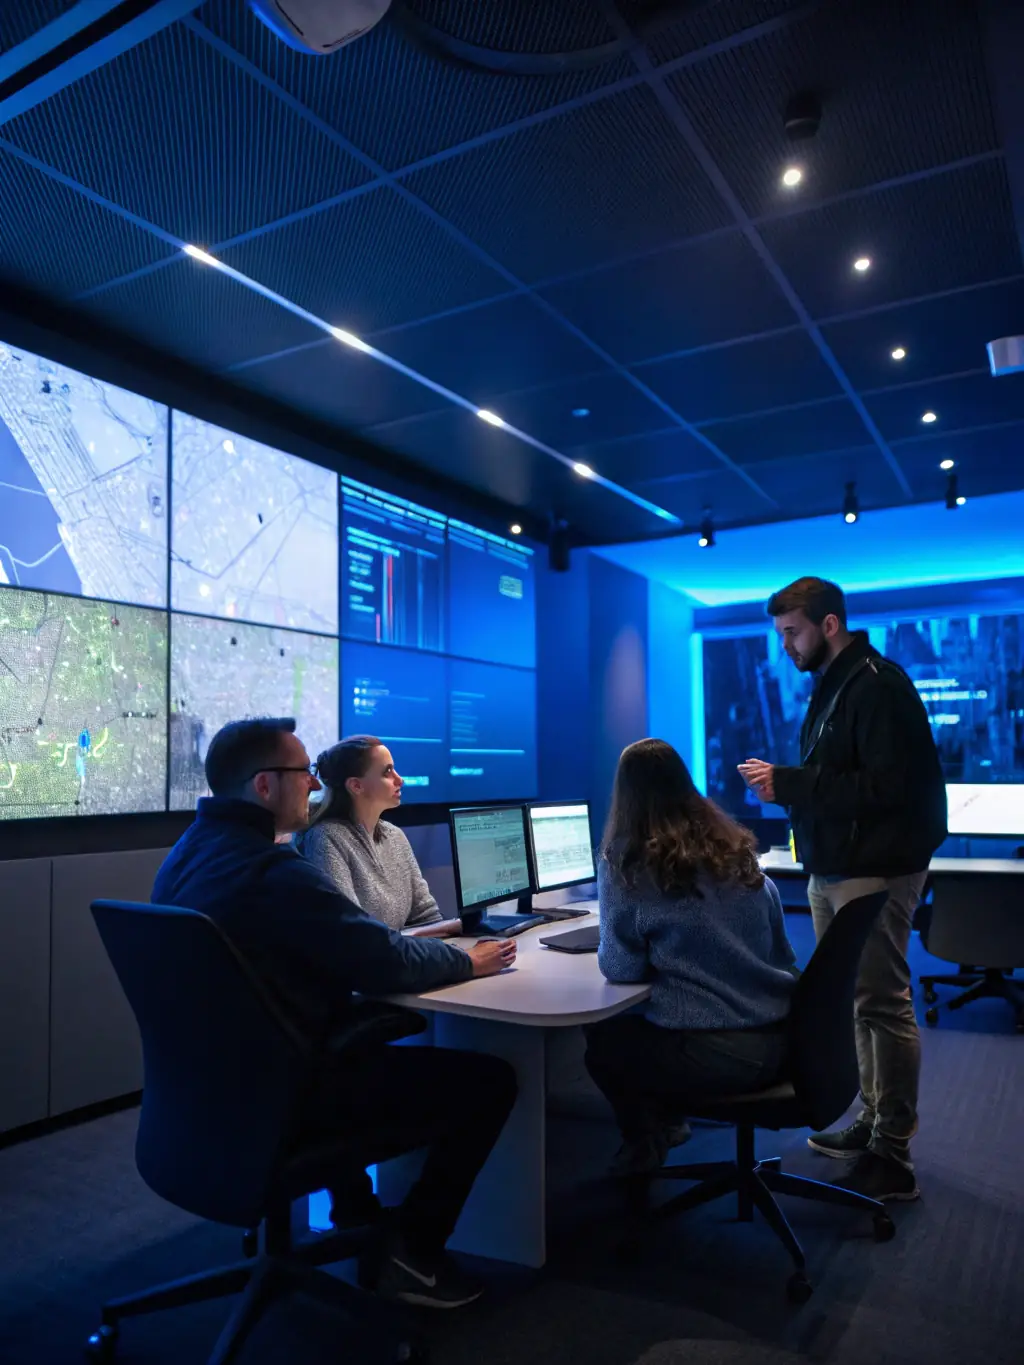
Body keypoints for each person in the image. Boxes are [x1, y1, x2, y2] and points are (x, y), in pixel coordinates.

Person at [152, 717, 518, 1308]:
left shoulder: (184, 858)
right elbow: (378, 958)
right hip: (285, 1094)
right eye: (304, 776)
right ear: (266, 786)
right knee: (491, 1082)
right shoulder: (272, 872)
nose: (314, 788)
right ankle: (413, 1253)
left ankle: (357, 1214)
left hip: (202, 1100)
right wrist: (468, 964)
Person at [738, 576, 947, 1203]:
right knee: (859, 1001)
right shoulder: (836, 688)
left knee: (882, 1001)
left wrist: (793, 783)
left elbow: (888, 788)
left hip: (876, 867)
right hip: (838, 868)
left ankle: (895, 1152)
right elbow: (847, 777)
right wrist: (792, 786)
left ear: (830, 625)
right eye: (780, 635)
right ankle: (873, 1120)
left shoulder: (879, 685)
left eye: (792, 632)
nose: (786, 647)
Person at [584, 738, 798, 1177]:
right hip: (786, 1037)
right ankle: (666, 1123)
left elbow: (621, 969)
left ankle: (648, 1139)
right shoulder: (737, 849)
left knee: (604, 1040)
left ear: (625, 795)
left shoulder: (629, 863)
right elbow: (783, 952)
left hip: (722, 1054)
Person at [297, 735, 461, 936]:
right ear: (356, 786)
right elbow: (353, 934)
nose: (399, 780)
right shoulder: (325, 838)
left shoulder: (395, 836)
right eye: (387, 772)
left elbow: (426, 916)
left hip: (404, 958)